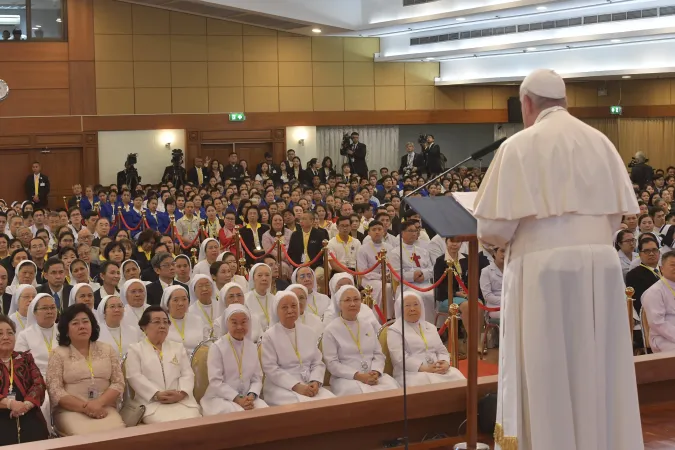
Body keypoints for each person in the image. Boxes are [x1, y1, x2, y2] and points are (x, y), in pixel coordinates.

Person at [473, 68, 642, 450]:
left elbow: (493, 230)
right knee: (596, 367)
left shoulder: (519, 146)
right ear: (565, 102)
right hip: (600, 269)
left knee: (548, 369)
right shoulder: (601, 142)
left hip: (542, 272)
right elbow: (616, 218)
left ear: (526, 104)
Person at [46, 304, 125, 436]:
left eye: (85, 321)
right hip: (71, 411)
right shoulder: (58, 354)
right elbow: (55, 391)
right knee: (85, 438)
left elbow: (118, 382)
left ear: (92, 325)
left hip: (104, 408)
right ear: (66, 330)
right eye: (75, 323)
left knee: (118, 434)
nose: (82, 326)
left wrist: (98, 403)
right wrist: (86, 407)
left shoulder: (107, 349)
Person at [125, 306, 201, 424]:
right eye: (156, 322)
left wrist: (181, 393)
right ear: (144, 327)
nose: (162, 326)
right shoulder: (135, 350)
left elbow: (187, 373)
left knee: (193, 419)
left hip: (181, 401)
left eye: (166, 322)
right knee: (164, 423)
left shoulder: (178, 347)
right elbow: (134, 376)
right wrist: (156, 394)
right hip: (151, 403)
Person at [260, 291, 335, 405]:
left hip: (309, 383)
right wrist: (296, 386)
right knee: (303, 407)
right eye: (284, 307)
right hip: (280, 386)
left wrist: (315, 381)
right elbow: (271, 369)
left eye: (294, 306)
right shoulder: (269, 336)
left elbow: (317, 362)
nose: (290, 310)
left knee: (332, 402)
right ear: (276, 310)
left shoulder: (308, 332)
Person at [322, 285, 399, 396]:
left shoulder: (367, 325)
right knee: (357, 393)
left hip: (372, 375)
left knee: (392, 387)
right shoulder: (330, 330)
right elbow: (332, 363)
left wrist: (376, 371)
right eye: (348, 300)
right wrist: (358, 375)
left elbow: (378, 354)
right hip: (346, 379)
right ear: (339, 304)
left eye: (356, 299)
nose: (353, 304)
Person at [201, 304, 268, 415]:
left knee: (266, 412)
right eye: (234, 322)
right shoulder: (217, 347)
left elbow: (257, 378)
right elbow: (215, 381)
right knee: (241, 414)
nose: (239, 327)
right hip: (220, 398)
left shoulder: (251, 346)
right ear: (227, 323)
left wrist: (251, 396)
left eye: (243, 322)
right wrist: (237, 399)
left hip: (247, 397)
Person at [387, 292, 464, 387]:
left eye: (416, 304)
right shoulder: (395, 330)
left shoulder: (430, 327)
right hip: (411, 373)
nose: (412, 309)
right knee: (428, 384)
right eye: (407, 305)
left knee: (456, 376)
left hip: (437, 368)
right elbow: (399, 358)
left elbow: (441, 350)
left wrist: (445, 363)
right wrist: (425, 368)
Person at [0, 315, 50, 445]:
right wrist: (10, 404)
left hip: (28, 411)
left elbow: (39, 384)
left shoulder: (25, 359)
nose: (6, 337)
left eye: (10, 333)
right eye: (0, 333)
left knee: (37, 435)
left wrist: (26, 405)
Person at [389, 220, 435, 323]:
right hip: (407, 286)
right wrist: (413, 276)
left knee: (433, 295)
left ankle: (432, 326)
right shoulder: (395, 253)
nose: (414, 233)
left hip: (425, 283)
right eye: (410, 231)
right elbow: (396, 275)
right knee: (419, 296)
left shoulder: (422, 251)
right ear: (402, 233)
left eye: (415, 230)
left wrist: (424, 275)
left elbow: (431, 269)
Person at [357, 220, 393, 318]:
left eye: (379, 229)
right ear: (369, 233)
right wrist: (381, 277)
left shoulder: (389, 247)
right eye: (374, 230)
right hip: (369, 280)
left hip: (388, 278)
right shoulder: (363, 249)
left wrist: (390, 276)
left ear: (384, 231)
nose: (377, 232)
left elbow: (393, 266)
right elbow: (362, 271)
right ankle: (383, 317)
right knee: (386, 287)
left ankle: (396, 316)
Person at [641, 250, 675, 352]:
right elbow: (657, 323)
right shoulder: (654, 291)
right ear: (662, 269)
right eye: (673, 265)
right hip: (664, 338)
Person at [160, 286, 203, 355]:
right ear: (167, 303)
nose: (181, 303)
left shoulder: (197, 320)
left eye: (184, 299)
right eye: (175, 300)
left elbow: (205, 344)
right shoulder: (161, 323)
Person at [626, 237, 661, 315]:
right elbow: (639, 303)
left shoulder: (666, 270)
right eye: (647, 251)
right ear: (640, 254)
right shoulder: (634, 275)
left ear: (659, 252)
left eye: (654, 250)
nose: (651, 253)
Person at [479, 247, 504, 321]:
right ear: (494, 253)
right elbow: (487, 296)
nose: (504, 254)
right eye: (502, 251)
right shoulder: (486, 271)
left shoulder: (512, 270)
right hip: (494, 307)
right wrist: (505, 301)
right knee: (510, 314)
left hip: (512, 304)